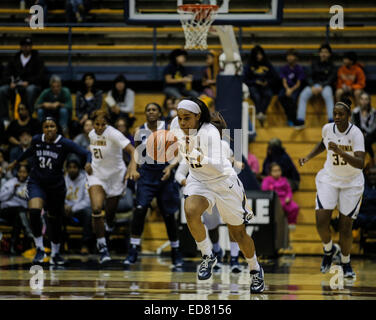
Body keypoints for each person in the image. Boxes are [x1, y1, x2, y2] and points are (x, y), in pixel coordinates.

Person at [170, 97, 265, 293]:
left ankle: (255, 269)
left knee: (238, 233)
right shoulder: (176, 126)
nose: (182, 122)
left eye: (187, 118)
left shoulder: (210, 134)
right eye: (179, 118)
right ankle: (207, 255)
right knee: (190, 210)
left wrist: (196, 154)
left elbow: (218, 166)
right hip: (199, 180)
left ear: (198, 116)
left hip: (223, 182)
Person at [7, 117, 92, 265]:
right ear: (43, 129)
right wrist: (15, 161)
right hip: (37, 182)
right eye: (46, 127)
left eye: (52, 126)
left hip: (56, 186)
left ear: (56, 128)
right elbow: (29, 151)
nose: (49, 129)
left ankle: (56, 253)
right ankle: (39, 248)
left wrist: (88, 163)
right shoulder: (37, 139)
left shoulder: (64, 142)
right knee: (33, 212)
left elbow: (86, 153)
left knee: (55, 221)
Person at [299, 98, 365, 278]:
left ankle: (346, 262)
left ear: (348, 116)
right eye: (335, 113)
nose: (336, 117)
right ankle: (328, 250)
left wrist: (341, 152)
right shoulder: (328, 128)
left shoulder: (356, 134)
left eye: (340, 114)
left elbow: (360, 163)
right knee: (321, 220)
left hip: (351, 182)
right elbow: (324, 143)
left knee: (345, 227)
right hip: (329, 178)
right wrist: (308, 157)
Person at [123, 103, 183, 267]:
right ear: (145, 113)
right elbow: (136, 152)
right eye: (148, 110)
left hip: (165, 173)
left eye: (154, 109)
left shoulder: (169, 128)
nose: (151, 112)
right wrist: (134, 168)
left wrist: (171, 167)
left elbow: (180, 151)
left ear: (159, 113)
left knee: (169, 215)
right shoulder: (139, 130)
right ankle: (133, 249)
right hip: (147, 175)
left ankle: (175, 251)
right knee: (140, 210)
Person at [87, 110, 139, 264]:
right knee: (96, 209)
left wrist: (133, 167)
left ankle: (107, 230)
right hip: (97, 174)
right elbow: (93, 152)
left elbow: (133, 150)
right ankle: (102, 247)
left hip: (116, 176)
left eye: (103, 124)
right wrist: (88, 162)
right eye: (97, 124)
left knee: (110, 215)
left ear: (108, 124)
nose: (100, 127)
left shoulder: (114, 134)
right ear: (93, 123)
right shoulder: (91, 134)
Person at [0, 37, 45, 117]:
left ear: (31, 46)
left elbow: (40, 76)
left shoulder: (37, 59)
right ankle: (5, 118)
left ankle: (29, 116)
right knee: (2, 90)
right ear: (21, 47)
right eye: (24, 45)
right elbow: (6, 73)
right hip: (15, 84)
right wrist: (10, 82)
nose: (26, 47)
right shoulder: (14, 58)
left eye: (28, 45)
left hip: (31, 84)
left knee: (30, 90)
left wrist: (28, 82)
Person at [295, 43, 337, 129]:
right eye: (322, 52)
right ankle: (300, 120)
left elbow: (331, 78)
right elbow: (309, 76)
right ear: (319, 54)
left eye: (326, 52)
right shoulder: (314, 64)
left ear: (329, 54)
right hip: (314, 86)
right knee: (303, 95)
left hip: (325, 86)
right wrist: (312, 86)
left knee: (328, 95)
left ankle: (331, 120)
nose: (324, 54)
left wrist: (322, 86)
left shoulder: (332, 66)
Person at [0, 164, 33, 254]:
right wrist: (12, 190)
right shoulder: (10, 182)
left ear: (28, 174)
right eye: (20, 172)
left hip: (21, 213)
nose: (22, 174)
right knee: (19, 211)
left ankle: (13, 247)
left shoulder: (30, 184)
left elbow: (30, 200)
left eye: (24, 172)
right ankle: (28, 231)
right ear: (17, 173)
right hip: (6, 210)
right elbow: (1, 198)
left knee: (18, 218)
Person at [243, 45, 278, 126]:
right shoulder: (249, 65)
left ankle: (261, 113)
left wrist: (267, 82)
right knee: (256, 96)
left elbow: (275, 77)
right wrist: (255, 82)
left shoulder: (267, 64)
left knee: (268, 94)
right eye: (257, 54)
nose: (259, 56)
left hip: (264, 85)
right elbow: (245, 79)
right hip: (253, 85)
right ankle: (260, 113)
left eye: (260, 54)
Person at [64, 156, 92, 255]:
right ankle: (61, 244)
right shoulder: (63, 179)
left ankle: (85, 245)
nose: (72, 169)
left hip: (78, 210)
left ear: (79, 169)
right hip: (65, 209)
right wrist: (64, 206)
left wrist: (73, 208)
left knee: (88, 213)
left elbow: (88, 201)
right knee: (53, 212)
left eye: (74, 167)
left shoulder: (85, 180)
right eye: (70, 167)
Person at [261, 162, 299, 227]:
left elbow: (289, 190)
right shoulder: (267, 180)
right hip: (273, 201)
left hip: (284, 200)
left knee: (295, 207)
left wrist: (288, 197)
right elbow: (264, 191)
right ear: (270, 172)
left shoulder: (284, 180)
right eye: (275, 171)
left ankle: (291, 223)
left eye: (279, 170)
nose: (277, 173)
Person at [278, 49, 305, 126]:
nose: (289, 58)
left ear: (295, 58)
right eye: (288, 56)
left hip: (295, 88)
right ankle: (289, 117)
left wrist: (291, 90)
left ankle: (292, 119)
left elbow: (298, 83)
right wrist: (287, 89)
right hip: (287, 87)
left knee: (292, 99)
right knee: (281, 96)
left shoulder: (299, 68)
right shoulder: (284, 68)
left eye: (291, 56)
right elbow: (284, 80)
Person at [351, 91, 376, 163]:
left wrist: (366, 133)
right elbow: (353, 125)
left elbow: (374, 127)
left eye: (366, 99)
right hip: (359, 134)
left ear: (369, 101)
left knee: (365, 140)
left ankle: (363, 162)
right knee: (362, 140)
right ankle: (372, 157)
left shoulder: (373, 112)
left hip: (371, 134)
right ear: (359, 100)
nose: (364, 101)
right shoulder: (355, 112)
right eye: (362, 99)